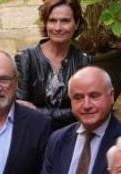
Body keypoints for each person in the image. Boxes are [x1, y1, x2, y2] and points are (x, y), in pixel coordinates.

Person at [15, 0, 91, 131]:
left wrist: (38, 111)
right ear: (45, 23)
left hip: (70, 136)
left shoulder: (83, 62)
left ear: (76, 23)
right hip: (32, 134)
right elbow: (20, 110)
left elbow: (85, 109)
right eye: (52, 20)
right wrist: (66, 113)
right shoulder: (26, 58)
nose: (58, 27)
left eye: (65, 21)